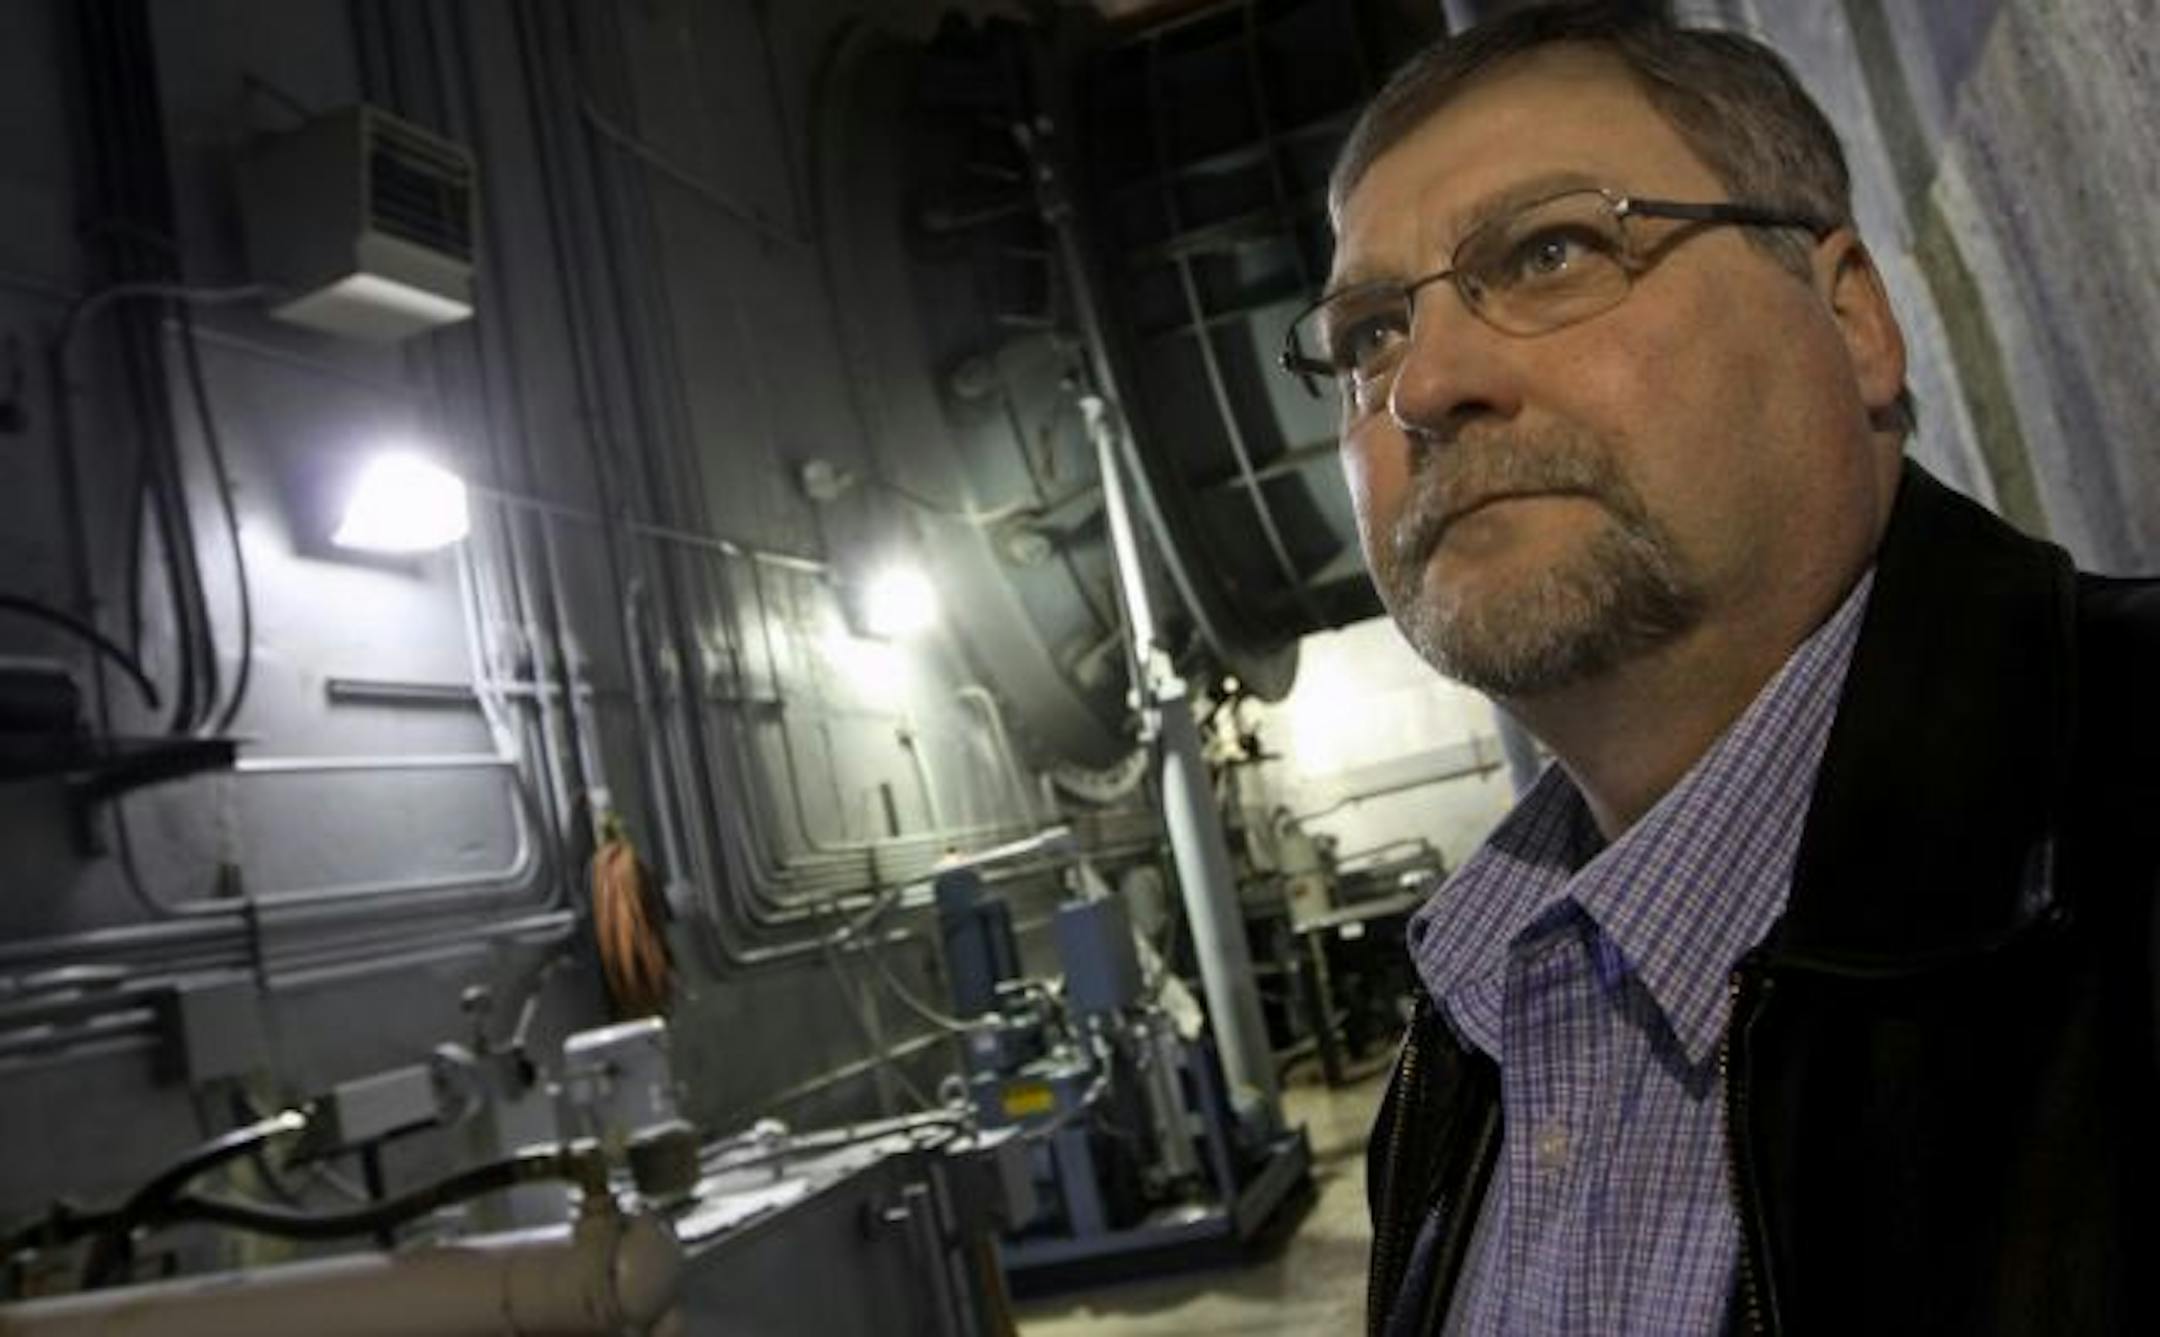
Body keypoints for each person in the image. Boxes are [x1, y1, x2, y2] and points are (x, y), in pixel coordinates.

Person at [1274, 3, 2160, 1333]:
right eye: (1368, 338)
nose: (1424, 385)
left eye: (1551, 249)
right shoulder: (1461, 1022)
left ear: (1851, 316)